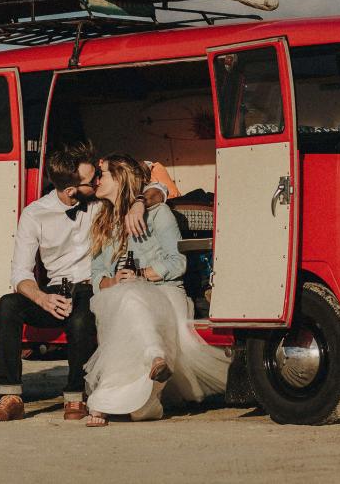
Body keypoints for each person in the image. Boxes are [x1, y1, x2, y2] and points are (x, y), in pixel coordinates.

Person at [0, 143, 166, 422]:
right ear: (71, 191)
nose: (97, 181)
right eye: (90, 180)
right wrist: (42, 298)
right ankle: (10, 395)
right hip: (54, 291)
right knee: (7, 305)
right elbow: (20, 273)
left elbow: (157, 185)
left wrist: (140, 201)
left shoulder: (98, 203)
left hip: (90, 285)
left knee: (82, 316)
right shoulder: (34, 214)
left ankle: (74, 396)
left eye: (97, 176)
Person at [83, 154, 230, 427]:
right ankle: (152, 369)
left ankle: (112, 400)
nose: (96, 180)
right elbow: (96, 275)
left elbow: (179, 262)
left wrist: (140, 275)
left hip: (164, 289)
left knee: (130, 299)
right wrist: (114, 280)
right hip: (122, 293)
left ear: (120, 177)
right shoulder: (102, 222)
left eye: (102, 174)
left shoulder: (157, 213)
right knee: (125, 298)